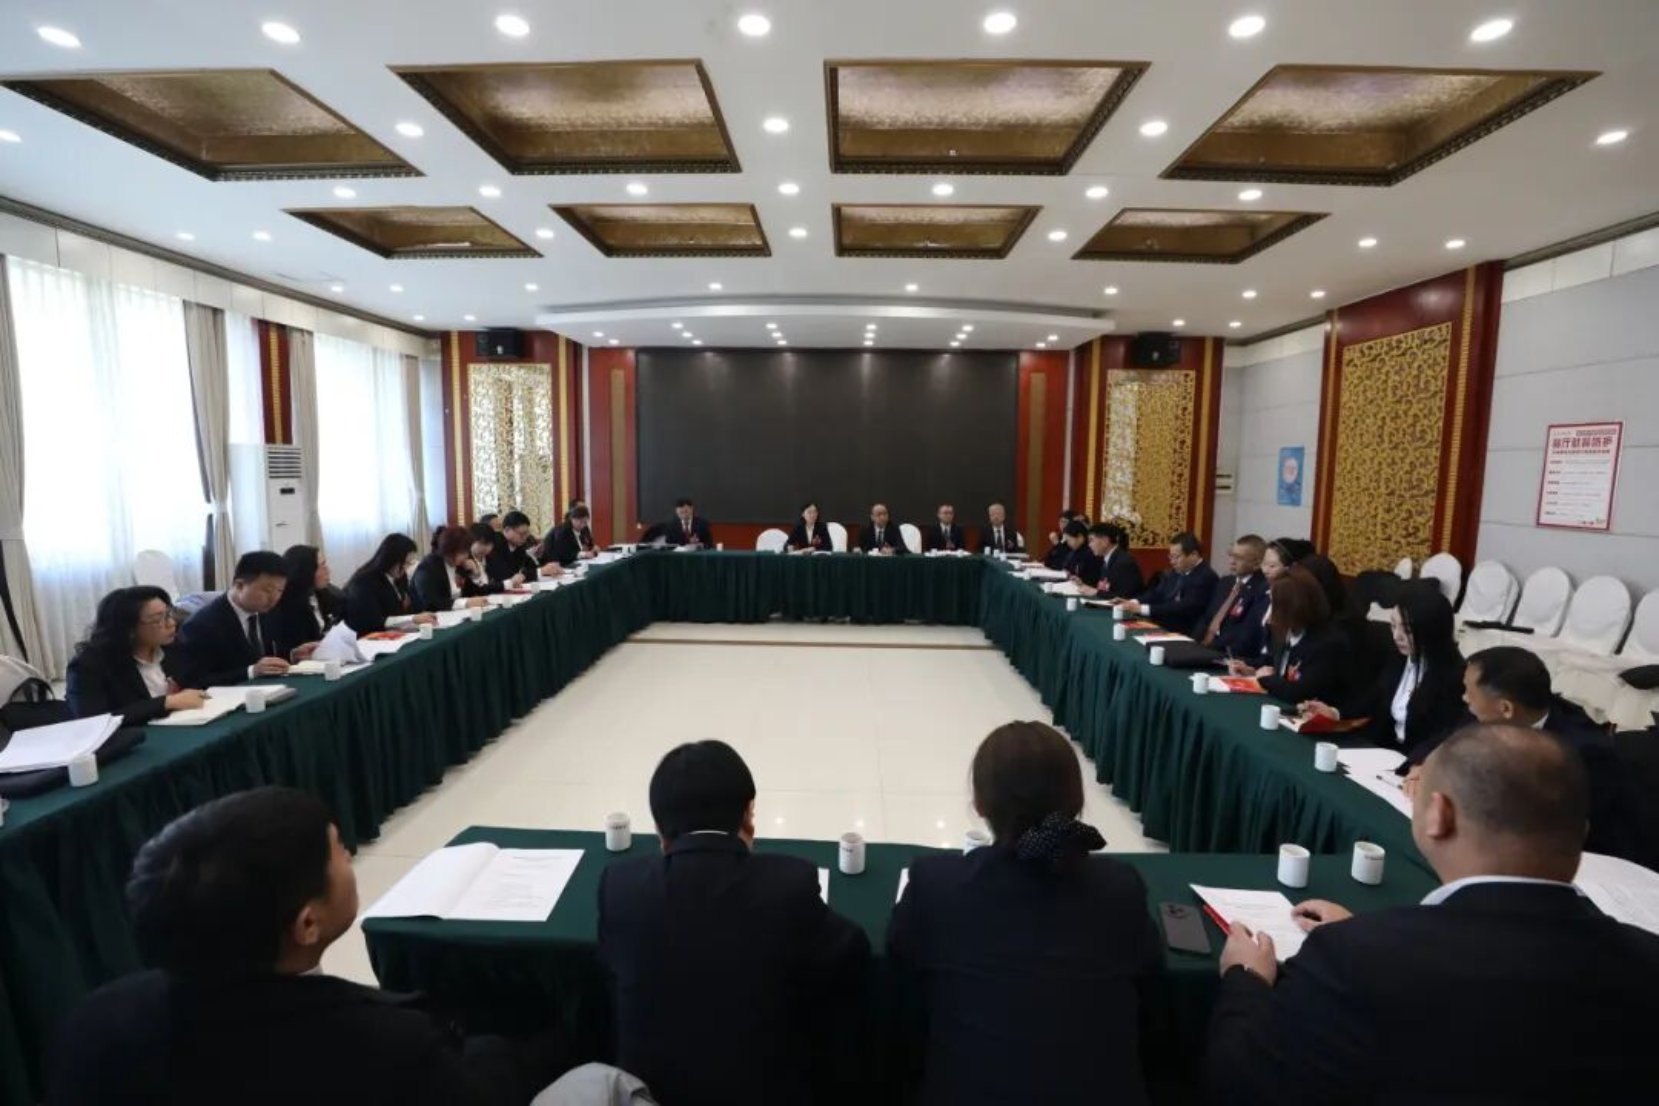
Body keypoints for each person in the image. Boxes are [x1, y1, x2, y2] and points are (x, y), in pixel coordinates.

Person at [1205, 723, 1659, 1105]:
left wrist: (1246, 978)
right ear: (1580, 833)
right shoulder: (1646, 960)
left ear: (1438, 815)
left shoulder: (1352, 961)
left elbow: (1242, 1080)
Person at [47, 787, 562, 1106]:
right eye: (338, 851)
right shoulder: (387, 1046)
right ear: (307, 924)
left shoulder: (95, 1021)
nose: (348, 858)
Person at [888, 722, 1162, 1106]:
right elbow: (1150, 967)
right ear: (1077, 802)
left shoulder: (936, 884)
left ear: (979, 804)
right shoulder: (1121, 888)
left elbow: (899, 953)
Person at [597, 741, 870, 1106]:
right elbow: (854, 949)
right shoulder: (787, 885)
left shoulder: (620, 888)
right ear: (748, 815)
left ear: (660, 831)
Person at [1457, 646, 1638, 859]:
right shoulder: (1502, 712)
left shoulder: (1581, 754)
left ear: (1506, 709)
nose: (1465, 699)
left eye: (1469, 692)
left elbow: (1560, 830)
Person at [1301, 581, 1468, 767]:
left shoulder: (1454, 676)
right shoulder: (1399, 656)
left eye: (1407, 630)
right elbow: (1375, 697)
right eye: (1393, 626)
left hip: (1418, 764)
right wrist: (1335, 712)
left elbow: (1444, 737)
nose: (1397, 636)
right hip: (1383, 752)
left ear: (1431, 631)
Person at [65, 587, 208, 725]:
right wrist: (167, 702)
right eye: (159, 619)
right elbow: (94, 721)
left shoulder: (172, 647)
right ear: (128, 629)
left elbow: (194, 680)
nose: (172, 623)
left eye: (169, 614)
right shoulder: (88, 666)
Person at [173, 551, 295, 683]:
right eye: (267, 590)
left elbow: (266, 657)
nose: (275, 598)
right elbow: (194, 680)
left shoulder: (268, 612)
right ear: (240, 585)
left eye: (280, 591)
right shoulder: (201, 625)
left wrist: (292, 655)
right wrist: (250, 672)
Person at [1235, 568, 1349, 706]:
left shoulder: (1328, 645)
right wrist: (1251, 670)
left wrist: (1266, 679)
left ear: (1293, 608)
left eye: (1275, 605)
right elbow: (1271, 662)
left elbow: (1299, 692)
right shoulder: (1287, 630)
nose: (1270, 612)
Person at [1119, 531, 1218, 636]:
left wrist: (1143, 609)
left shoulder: (1205, 577)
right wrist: (1134, 602)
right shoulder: (1178, 571)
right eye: (1171, 557)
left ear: (1194, 554)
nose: (1172, 561)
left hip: (1185, 632)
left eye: (1176, 557)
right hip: (1164, 625)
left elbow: (1183, 607)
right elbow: (1158, 593)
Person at [341, 533, 433, 635]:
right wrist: (412, 619)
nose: (406, 568)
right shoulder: (364, 582)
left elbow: (405, 609)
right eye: (405, 563)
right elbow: (373, 621)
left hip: (398, 633)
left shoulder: (400, 576)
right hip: (369, 637)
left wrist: (419, 617)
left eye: (409, 563)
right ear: (391, 559)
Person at [1199, 534, 1270, 658]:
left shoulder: (1260, 590)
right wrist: (1193, 641)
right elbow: (1207, 617)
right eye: (1231, 555)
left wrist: (1210, 649)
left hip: (1227, 654)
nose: (1231, 561)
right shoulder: (1225, 582)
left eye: (1239, 558)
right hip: (1204, 647)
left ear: (1257, 563)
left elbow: (1243, 634)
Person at [269, 545, 339, 658]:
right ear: (307, 570)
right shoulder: (284, 605)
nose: (328, 571)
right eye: (322, 566)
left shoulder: (324, 594)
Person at [409, 527, 495, 614]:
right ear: (449, 550)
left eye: (467, 552)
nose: (466, 556)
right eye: (462, 552)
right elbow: (432, 603)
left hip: (458, 614)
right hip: (430, 617)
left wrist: (475, 575)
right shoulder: (428, 568)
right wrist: (466, 603)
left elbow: (475, 591)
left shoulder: (460, 566)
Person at [1070, 522, 1142, 599]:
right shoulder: (1108, 558)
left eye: (1092, 540)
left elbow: (1125, 596)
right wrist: (1082, 584)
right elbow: (1105, 587)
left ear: (1105, 541)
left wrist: (1097, 592)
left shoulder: (1123, 562)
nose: (1089, 545)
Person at [495, 510, 558, 582]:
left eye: (526, 534)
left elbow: (531, 566)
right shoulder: (496, 544)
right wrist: (540, 571)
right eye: (521, 534)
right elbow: (508, 575)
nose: (524, 538)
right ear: (507, 530)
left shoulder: (518, 546)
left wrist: (549, 568)